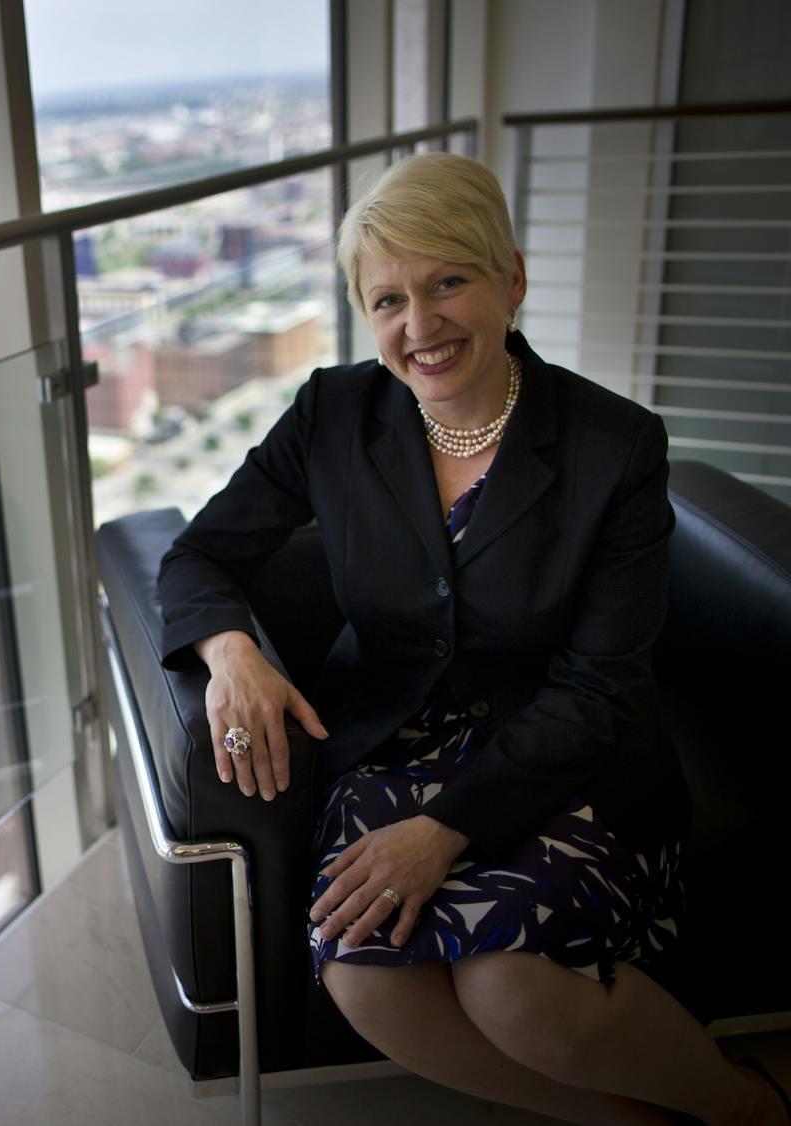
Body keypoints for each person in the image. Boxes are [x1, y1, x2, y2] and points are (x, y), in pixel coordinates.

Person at [157, 153, 790, 1125]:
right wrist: (232, 655)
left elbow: (597, 687)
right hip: (388, 745)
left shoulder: (612, 445)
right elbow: (198, 554)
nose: (419, 326)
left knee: (509, 984)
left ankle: (744, 1105)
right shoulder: (331, 413)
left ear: (511, 281)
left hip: (568, 756)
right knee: (363, 978)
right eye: (387, 300)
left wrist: (445, 830)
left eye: (446, 281)